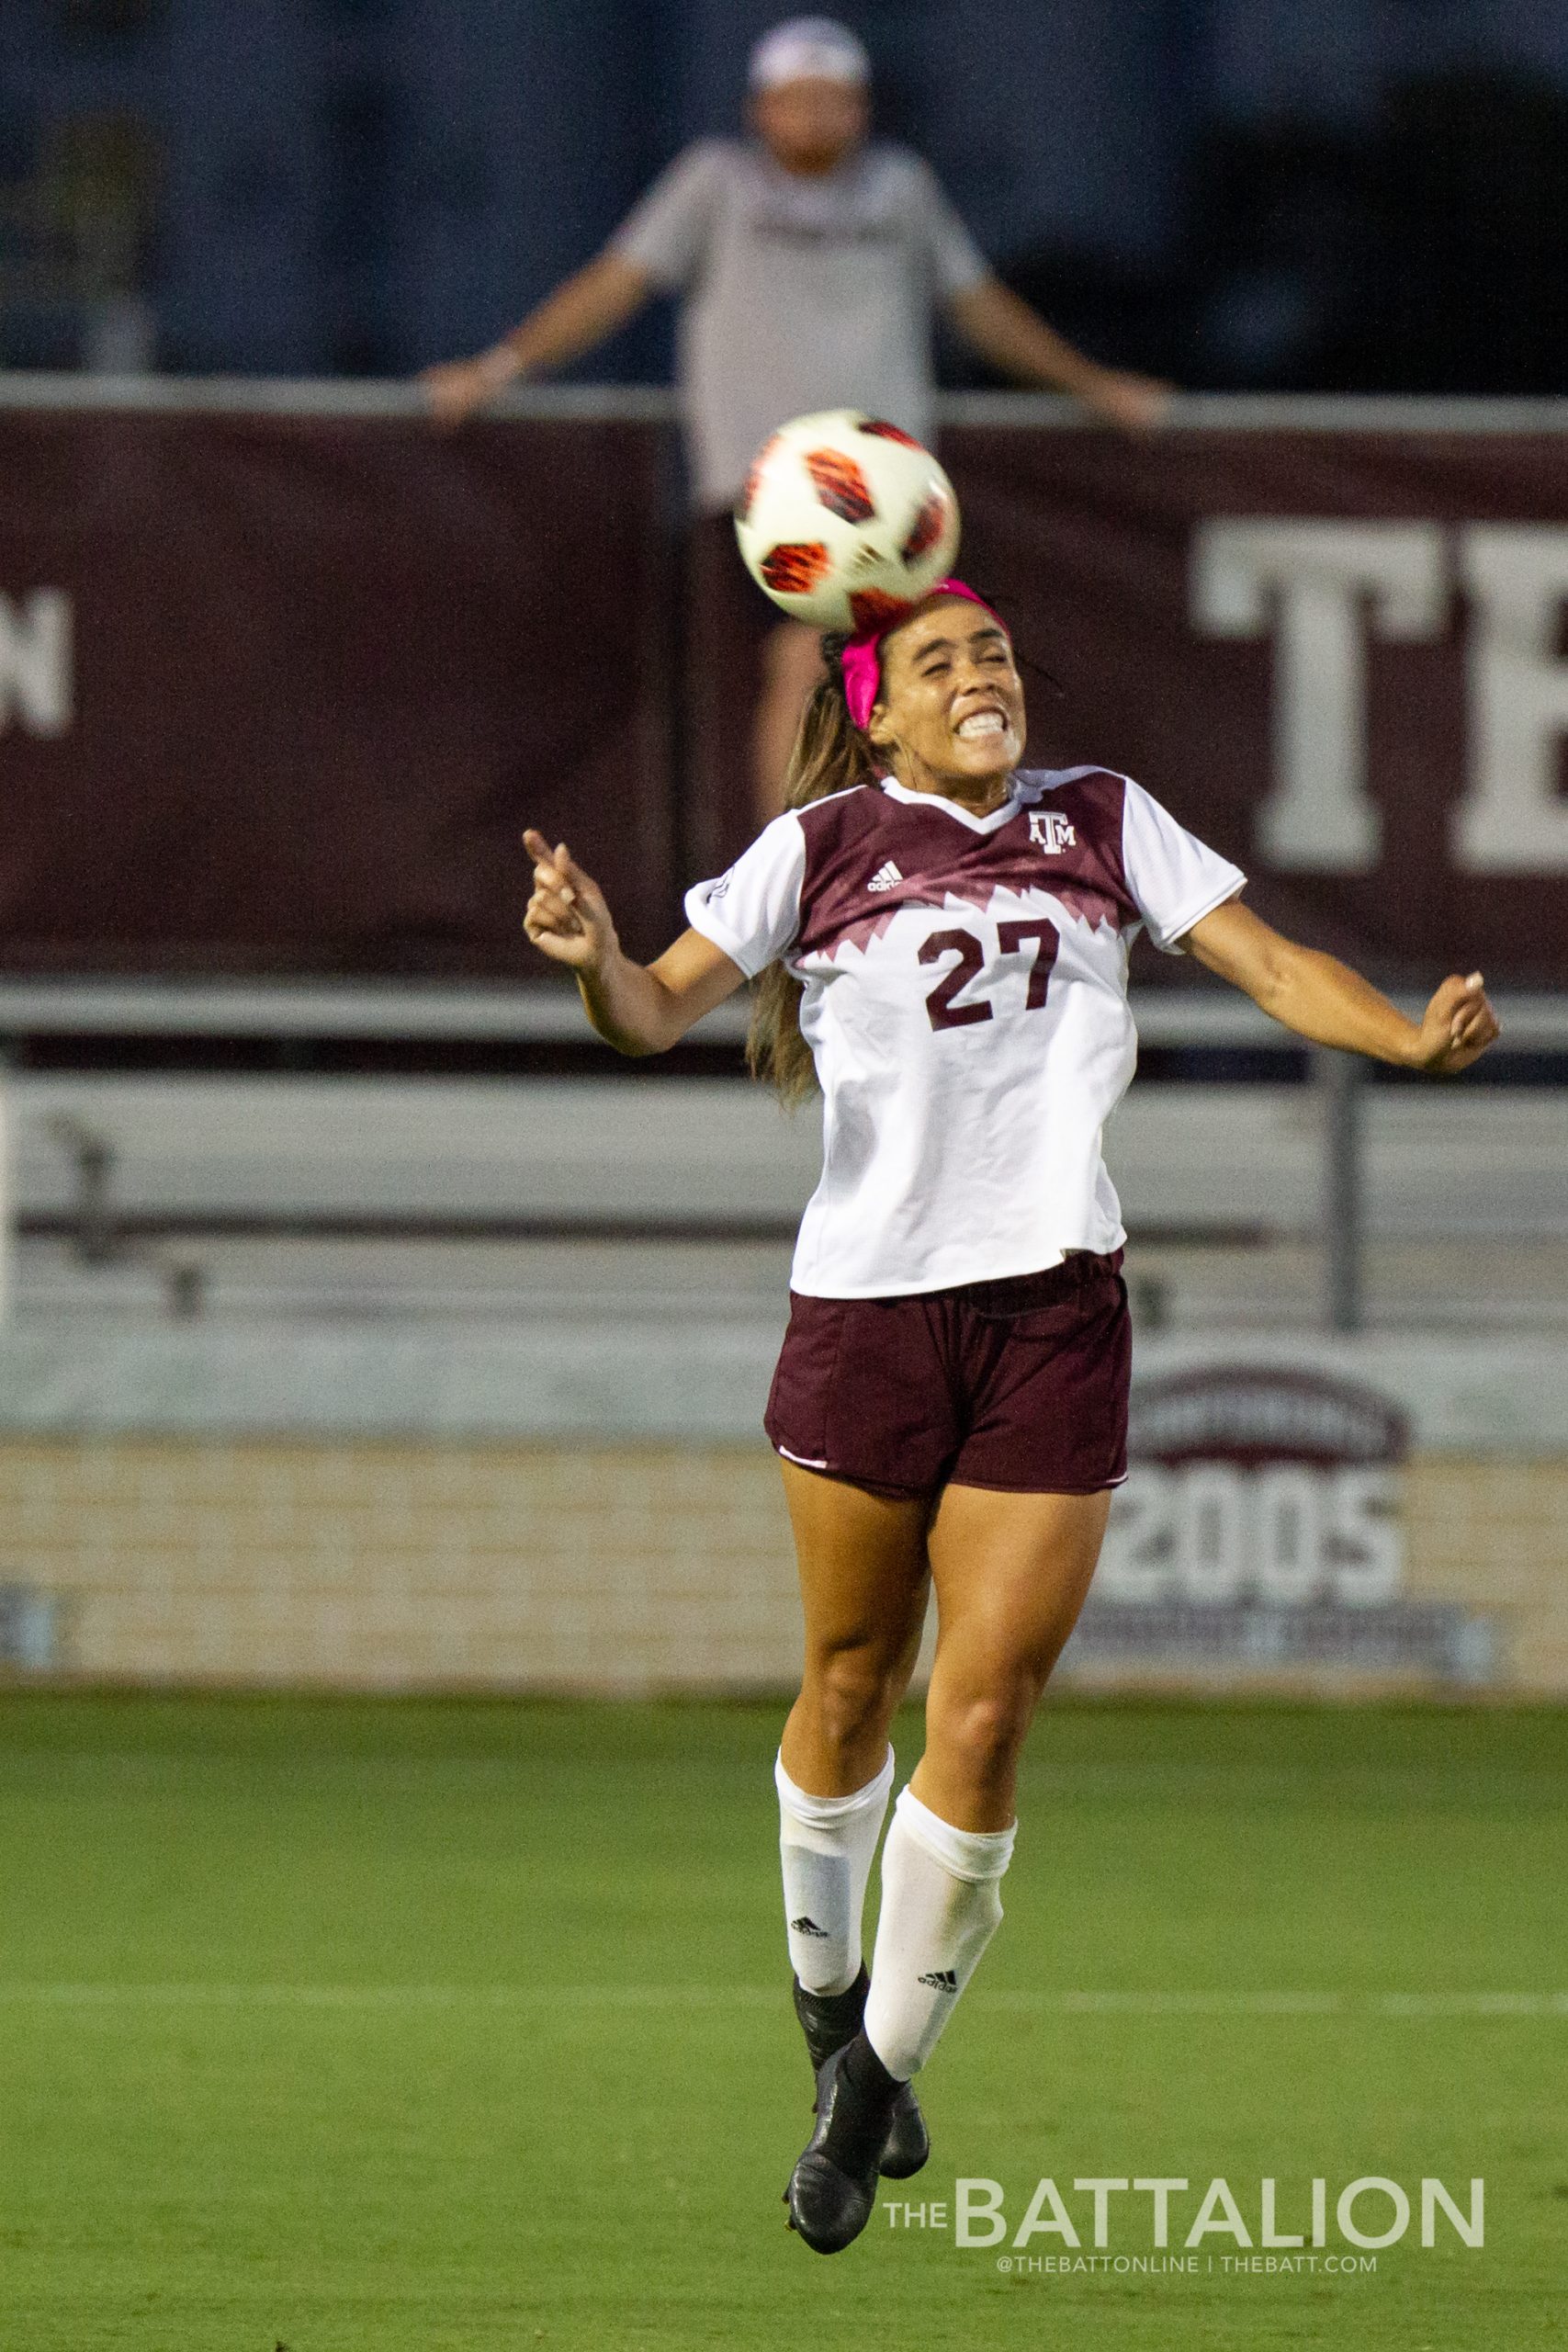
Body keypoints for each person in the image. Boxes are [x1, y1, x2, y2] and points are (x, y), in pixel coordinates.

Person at [519, 582, 1499, 2256]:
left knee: (980, 1721)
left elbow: (1269, 963)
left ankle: (862, 2090)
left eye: (993, 656)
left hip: (1053, 1311)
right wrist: (596, 957)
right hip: (867, 1315)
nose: (980, 678)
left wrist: (1402, 1037)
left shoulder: (1104, 819)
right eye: (937, 664)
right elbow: (658, 1006)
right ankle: (830, 2006)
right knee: (847, 1685)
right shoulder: (818, 846)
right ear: (878, 713)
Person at [423, 16, 1169, 846]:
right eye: (796, 99)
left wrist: (1095, 387)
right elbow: (614, 283)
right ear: (759, 109)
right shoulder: (716, 184)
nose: (814, 116)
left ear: (861, 108)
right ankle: (793, 880)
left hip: (897, 509)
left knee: (916, 675)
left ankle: (903, 868)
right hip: (774, 496)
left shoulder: (900, 187)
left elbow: (978, 306)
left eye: (833, 99)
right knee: (805, 664)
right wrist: (497, 369)